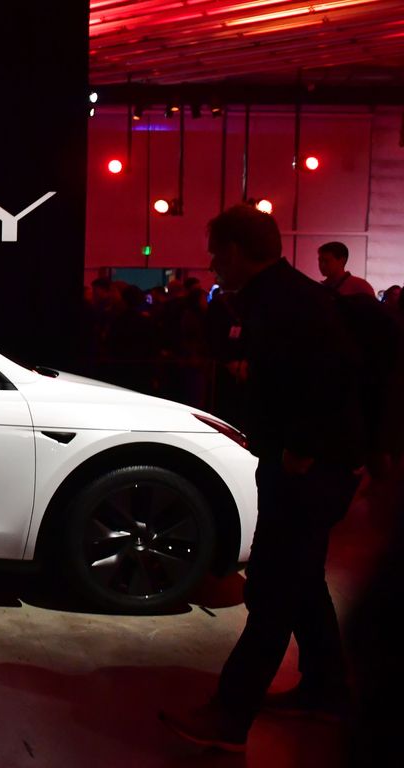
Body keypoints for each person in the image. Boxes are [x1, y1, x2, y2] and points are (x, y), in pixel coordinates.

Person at [159, 205, 365, 753]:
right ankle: (326, 690)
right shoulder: (287, 297)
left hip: (306, 470)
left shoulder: (284, 302)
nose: (210, 261)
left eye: (215, 250)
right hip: (314, 467)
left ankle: (230, 715)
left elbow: (332, 379)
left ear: (234, 250)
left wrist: (300, 448)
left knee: (273, 590)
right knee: (302, 584)